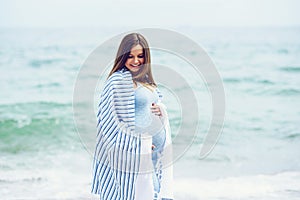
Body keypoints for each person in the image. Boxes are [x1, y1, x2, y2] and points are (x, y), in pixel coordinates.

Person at [91, 33, 174, 200]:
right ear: (123, 56)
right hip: (135, 154)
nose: (136, 61)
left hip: (155, 154)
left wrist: (161, 110)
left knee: (155, 193)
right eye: (130, 56)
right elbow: (111, 121)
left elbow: (149, 106)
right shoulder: (118, 81)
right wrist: (138, 142)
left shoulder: (145, 80)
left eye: (140, 56)